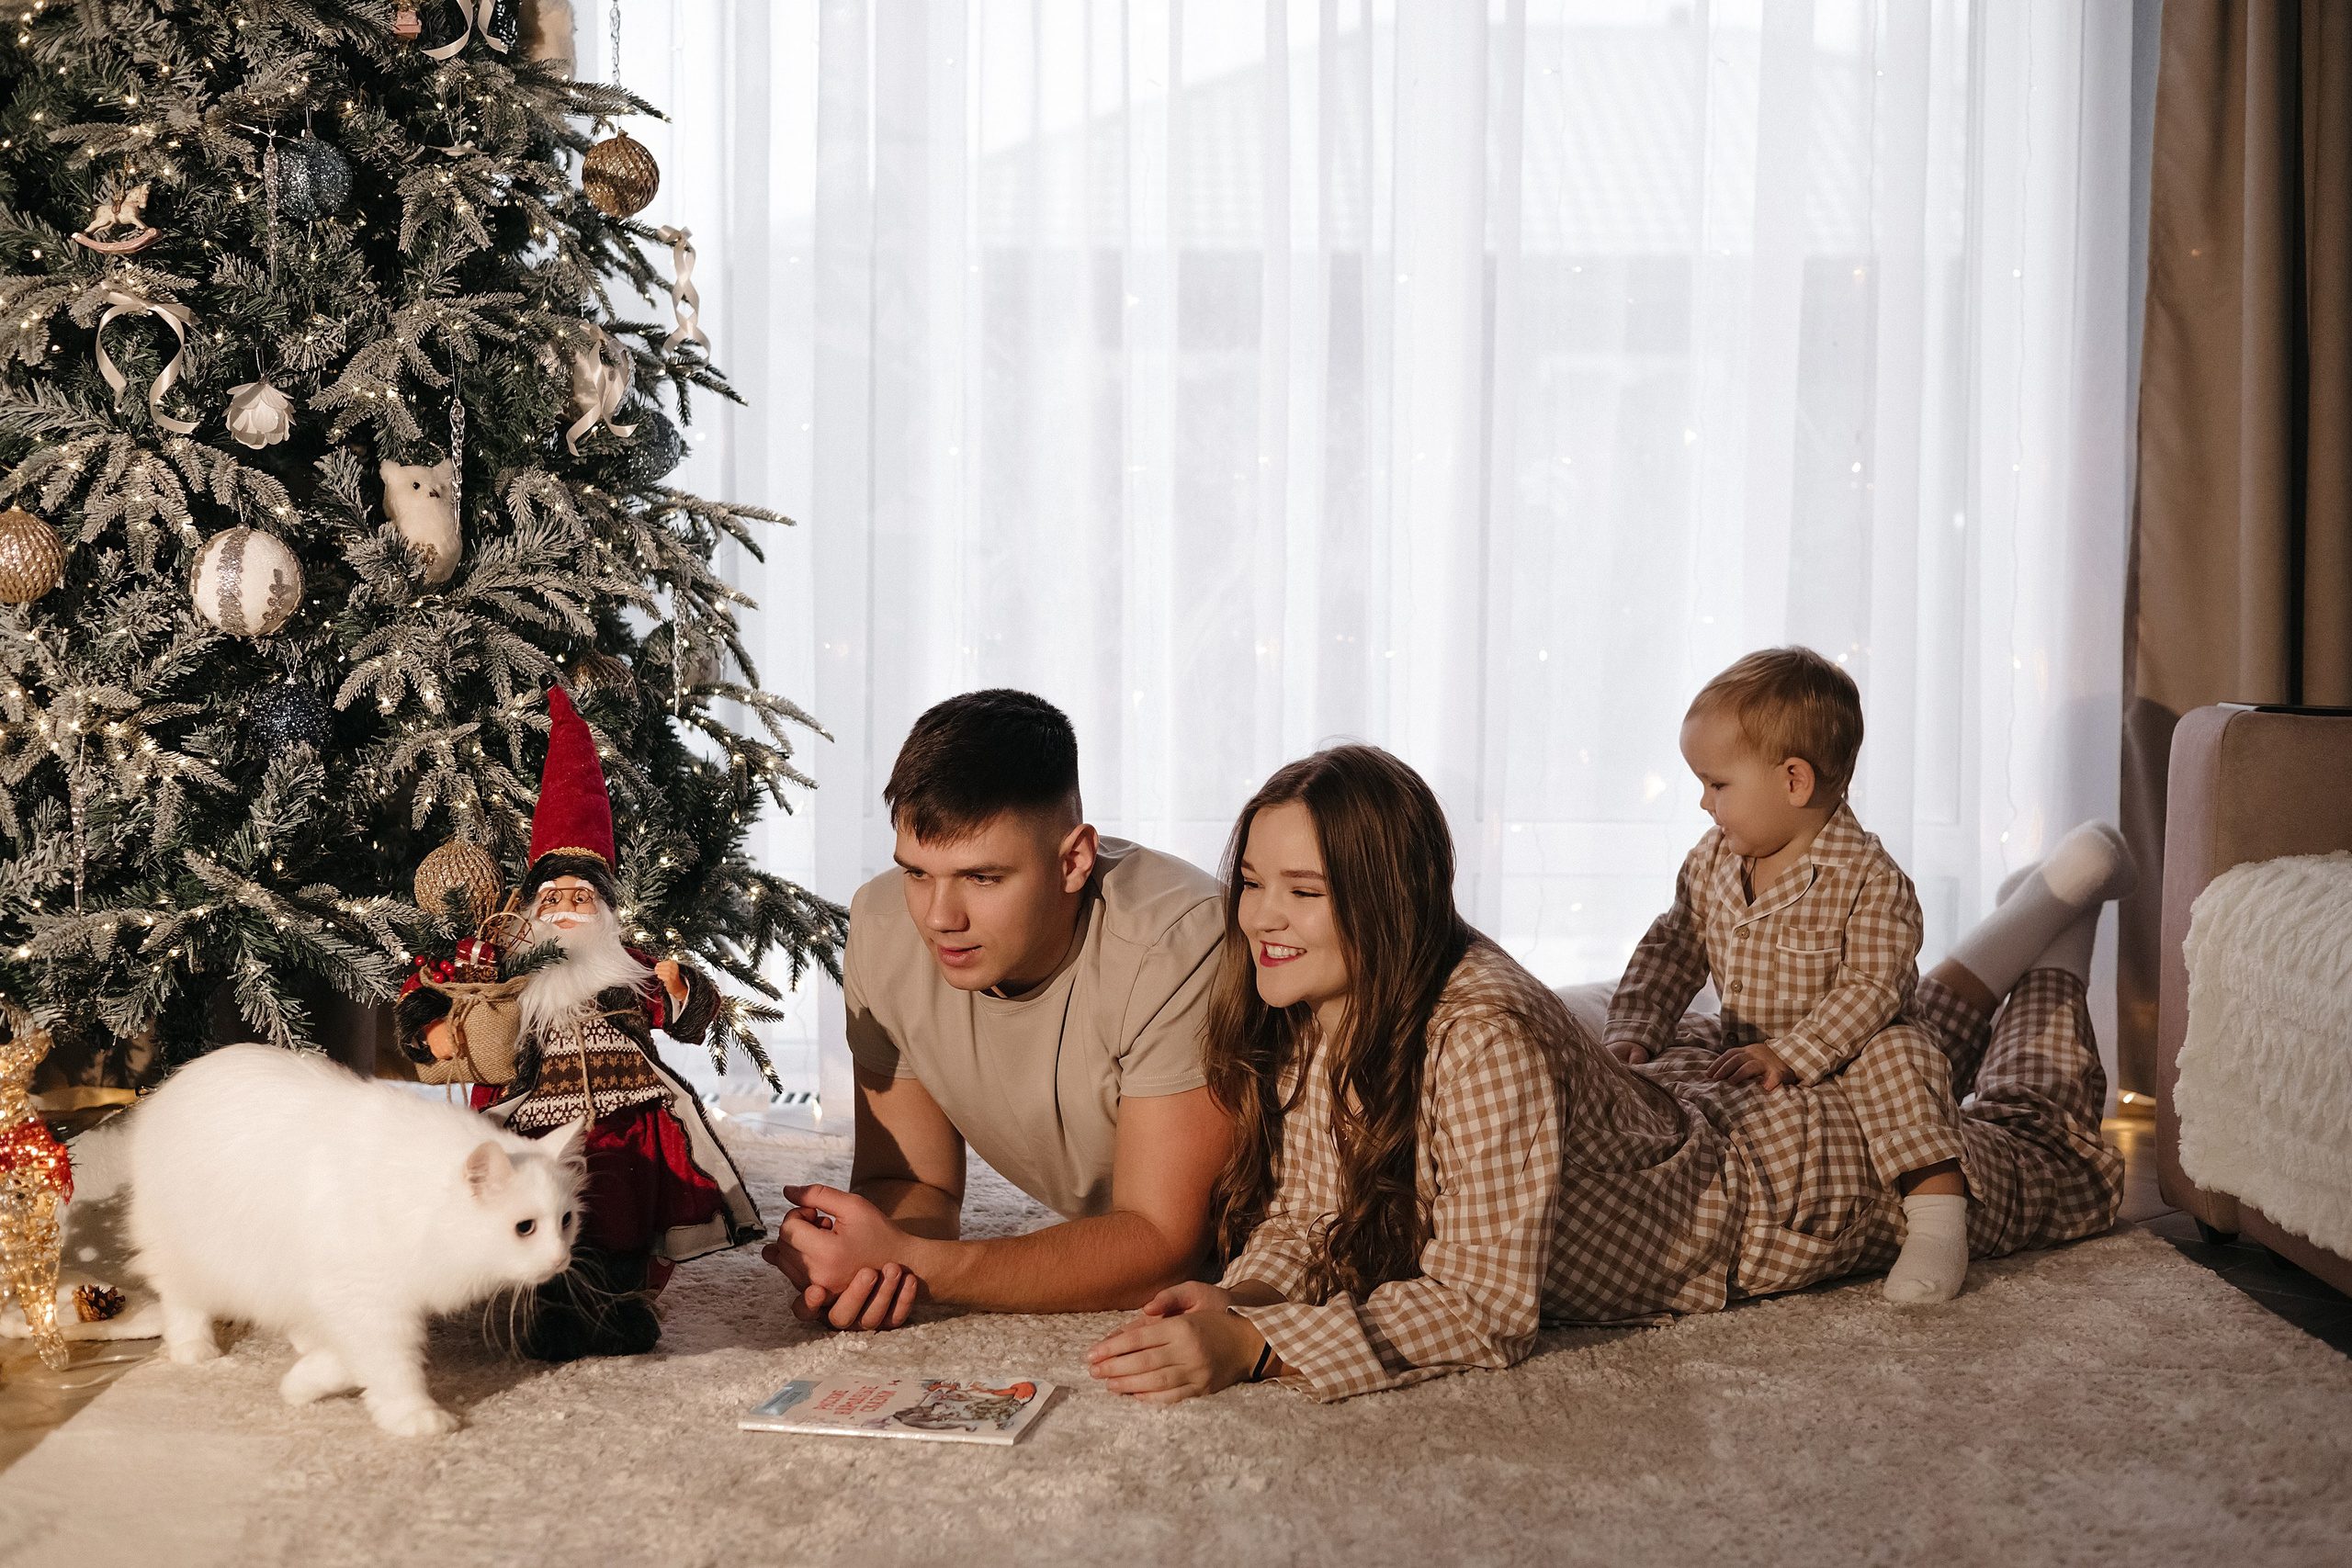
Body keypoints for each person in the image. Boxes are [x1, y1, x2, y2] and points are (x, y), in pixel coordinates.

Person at [1083, 743, 2127, 1403]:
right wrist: (1239, 1293)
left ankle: (2052, 948)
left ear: (1386, 899)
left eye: (1301, 891)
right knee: (1900, 1037)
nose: (1261, 915)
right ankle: (2036, 904)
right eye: (1254, 882)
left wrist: (1261, 1349)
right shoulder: (1317, 999)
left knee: (2051, 1151)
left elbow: (1484, 1310)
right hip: (1696, 1104)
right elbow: (1314, 1200)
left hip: (1790, 1191)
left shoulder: (1480, 1033)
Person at [763, 690, 1232, 1329]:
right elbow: (913, 1182)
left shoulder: (1176, 942)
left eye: (982, 878)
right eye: (918, 872)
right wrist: (862, 1261)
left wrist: (922, 1266)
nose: (938, 918)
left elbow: (1162, 1244)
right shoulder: (883, 923)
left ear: (1073, 860)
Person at [396, 686, 763, 1360]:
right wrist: (433, 1028)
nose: (566, 907)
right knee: (541, 1215)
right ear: (534, 904)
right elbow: (434, 995)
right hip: (535, 1125)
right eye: (554, 896)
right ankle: (550, 1309)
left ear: (604, 908)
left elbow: (686, 1016)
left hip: (626, 1123)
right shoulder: (506, 963)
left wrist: (687, 992)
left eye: (580, 897)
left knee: (620, 1221)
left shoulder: (627, 968)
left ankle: (621, 1305)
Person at [1602, 648, 1972, 1303]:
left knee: (1904, 1060)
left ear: (1794, 781)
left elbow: (1874, 989)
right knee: (1674, 1056)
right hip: (1743, 1037)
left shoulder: (1869, 878)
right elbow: (1672, 946)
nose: (1702, 801)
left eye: (1717, 785)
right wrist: (1636, 1026)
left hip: (1851, 1043)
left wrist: (1793, 1053)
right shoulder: (1712, 861)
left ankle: (1939, 1222)